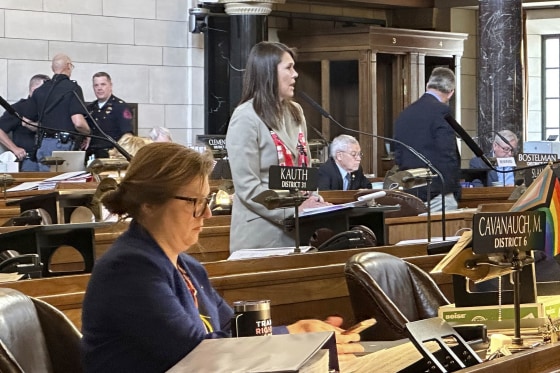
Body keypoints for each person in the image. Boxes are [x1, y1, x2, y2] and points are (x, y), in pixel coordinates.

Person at [80, 142, 362, 372]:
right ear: (149, 204)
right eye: (196, 202)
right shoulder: (129, 269)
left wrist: (306, 334)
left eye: (207, 201)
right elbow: (198, 353)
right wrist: (293, 337)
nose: (207, 214)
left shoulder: (187, 266)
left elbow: (232, 330)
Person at [226, 41, 328, 253]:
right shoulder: (246, 117)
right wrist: (293, 211)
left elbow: (304, 168)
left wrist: (313, 199)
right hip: (262, 235)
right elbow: (247, 187)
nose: (296, 74)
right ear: (268, 72)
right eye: (288, 68)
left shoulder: (295, 112)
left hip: (299, 231)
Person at [393, 67, 461, 212]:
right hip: (437, 194)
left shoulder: (405, 114)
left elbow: (398, 154)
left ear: (427, 86)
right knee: (445, 234)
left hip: (411, 193)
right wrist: (451, 190)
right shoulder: (442, 111)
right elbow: (447, 154)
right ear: (451, 93)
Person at [21, 53, 91, 171]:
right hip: (63, 146)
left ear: (53, 69)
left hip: (43, 145)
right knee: (65, 185)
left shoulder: (40, 90)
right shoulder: (72, 88)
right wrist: (88, 133)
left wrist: (44, 128)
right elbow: (78, 122)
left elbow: (25, 122)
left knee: (47, 185)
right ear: (68, 66)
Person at [0, 74, 50, 171]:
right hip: (29, 161)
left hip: (49, 159)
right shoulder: (20, 108)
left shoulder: (49, 110)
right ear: (33, 90)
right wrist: (14, 148)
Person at [86, 72, 133, 159]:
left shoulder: (120, 107)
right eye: (96, 85)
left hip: (111, 156)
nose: (99, 88)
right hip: (91, 156)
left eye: (103, 84)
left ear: (110, 86)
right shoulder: (89, 108)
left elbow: (127, 136)